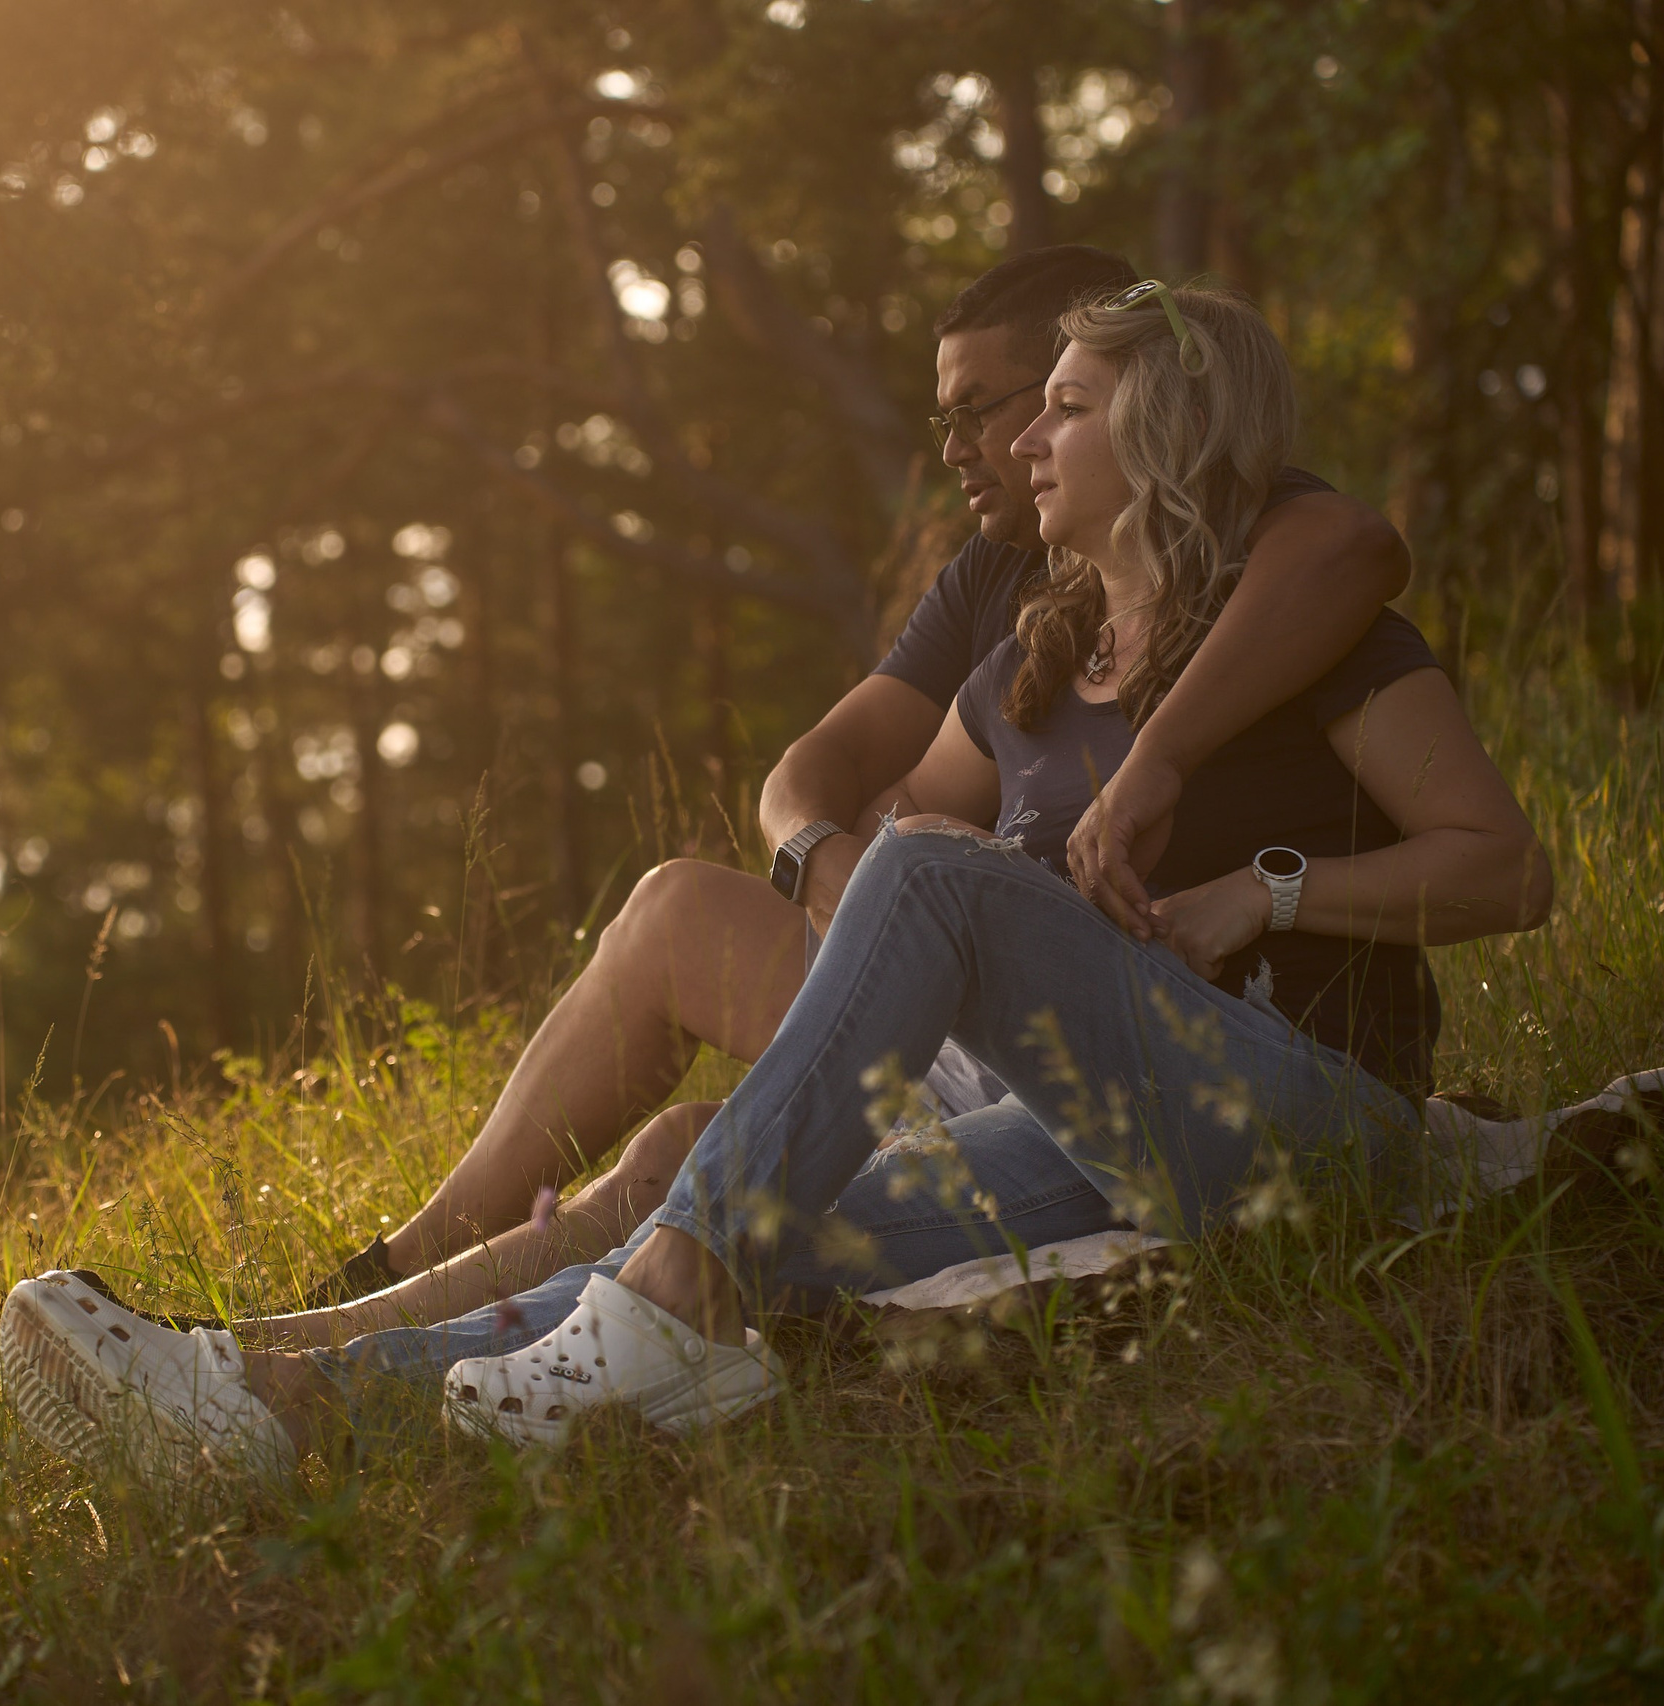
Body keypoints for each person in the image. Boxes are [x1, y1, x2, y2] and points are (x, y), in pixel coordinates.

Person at [0, 282, 1555, 1475]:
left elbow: (1506, 871)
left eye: (1060, 408)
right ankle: (276, 1401)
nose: (1020, 441)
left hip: (1315, 1113)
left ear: (1164, 433)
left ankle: (655, 1297)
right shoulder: (1044, 655)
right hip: (1092, 1122)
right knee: (769, 1214)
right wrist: (852, 902)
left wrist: (1263, 894)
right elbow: (840, 805)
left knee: (931, 882)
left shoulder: (1316, 639)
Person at [272, 244, 1412, 1315]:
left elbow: (1354, 548)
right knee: (677, 913)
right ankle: (373, 1293)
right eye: (945, 416)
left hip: (1144, 1034)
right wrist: (828, 859)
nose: (965, 445)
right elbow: (819, 772)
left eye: (991, 407)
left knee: (704, 1147)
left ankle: (430, 1335)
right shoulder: (1008, 590)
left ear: (1134, 408)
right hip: (972, 1000)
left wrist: (1174, 792)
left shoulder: (1239, 539)